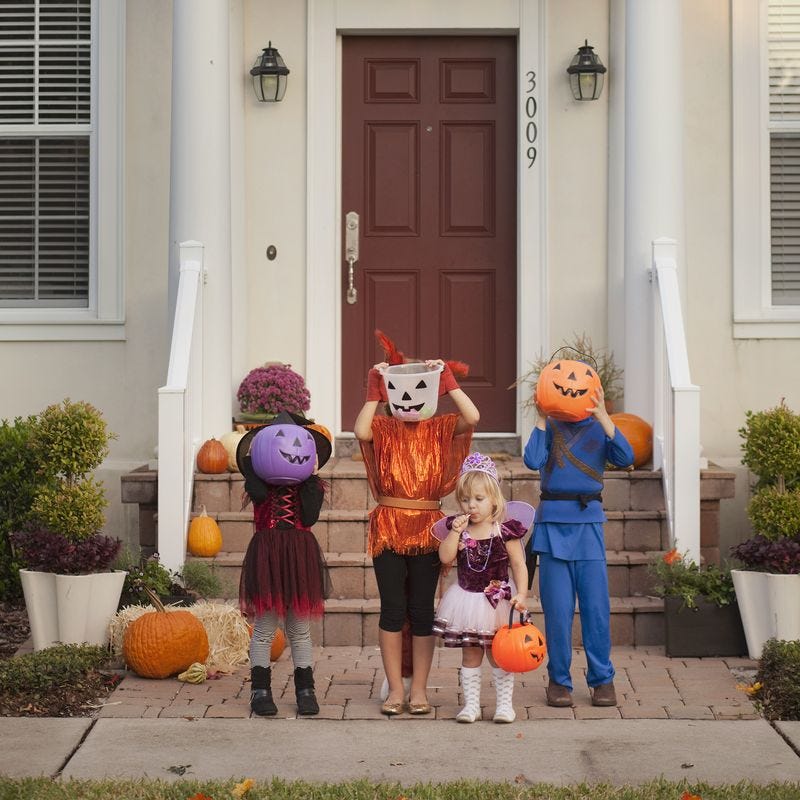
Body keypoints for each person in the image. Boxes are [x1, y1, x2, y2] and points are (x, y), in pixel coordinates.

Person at [354, 335, 479, 716]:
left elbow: (472, 418)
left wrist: (449, 383)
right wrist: (374, 390)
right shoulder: (385, 429)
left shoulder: (440, 428)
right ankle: (396, 690)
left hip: (428, 527)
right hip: (390, 526)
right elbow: (361, 431)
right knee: (393, 609)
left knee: (422, 610)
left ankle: (419, 691)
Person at [523, 383, 634, 708]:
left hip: (588, 526)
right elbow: (532, 460)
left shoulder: (600, 427)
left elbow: (627, 457)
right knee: (557, 612)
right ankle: (559, 680)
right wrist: (542, 416)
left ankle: (603, 680)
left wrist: (602, 414)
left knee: (596, 609)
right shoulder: (550, 425)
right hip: (553, 525)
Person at [236, 411, 333, 717]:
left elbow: (310, 516)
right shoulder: (259, 484)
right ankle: (260, 691)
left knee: (299, 629)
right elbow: (260, 493)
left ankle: (306, 690)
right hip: (267, 556)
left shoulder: (310, 486)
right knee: (264, 626)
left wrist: (311, 476)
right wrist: (255, 467)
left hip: (299, 556)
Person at [431, 453, 532, 723]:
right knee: (471, 653)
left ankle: (504, 706)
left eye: (479, 499)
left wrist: (522, 593)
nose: (471, 505)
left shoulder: (505, 531)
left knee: (500, 654)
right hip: (467, 600)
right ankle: (471, 705)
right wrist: (454, 532)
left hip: (498, 602)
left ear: (494, 499)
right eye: (465, 500)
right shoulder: (460, 530)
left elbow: (519, 564)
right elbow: (445, 557)